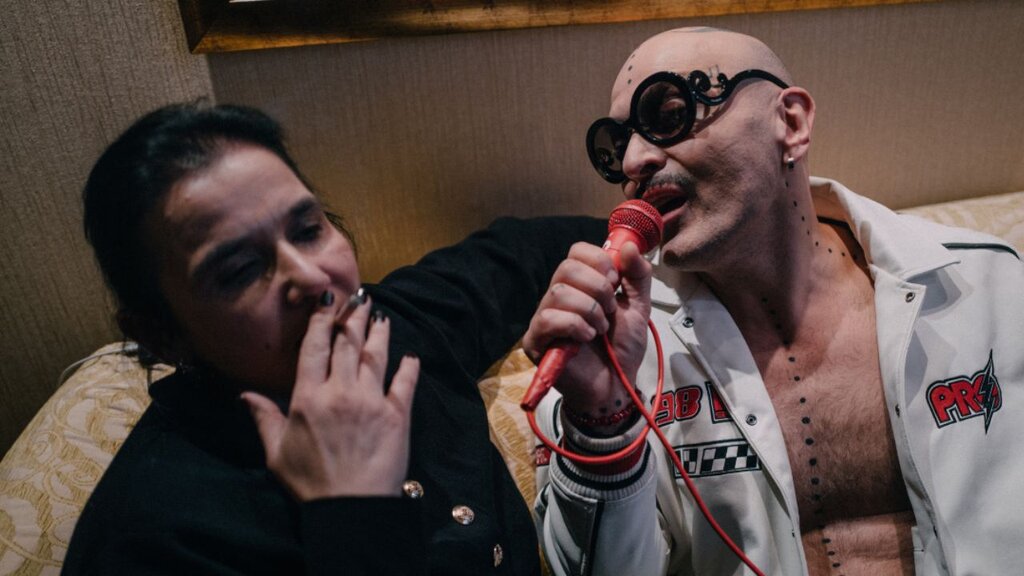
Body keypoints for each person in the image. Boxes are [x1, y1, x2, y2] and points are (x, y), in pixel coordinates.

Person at [525, 27, 1024, 575]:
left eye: (669, 115)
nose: (633, 162)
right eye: (616, 147)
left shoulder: (987, 287)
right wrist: (602, 425)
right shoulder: (610, 358)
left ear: (790, 123)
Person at [63, 101, 607, 575]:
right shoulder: (149, 540)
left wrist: (646, 239)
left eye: (307, 230)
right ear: (161, 335)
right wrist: (352, 511)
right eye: (239, 271)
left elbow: (525, 250)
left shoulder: (395, 322)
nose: (310, 277)